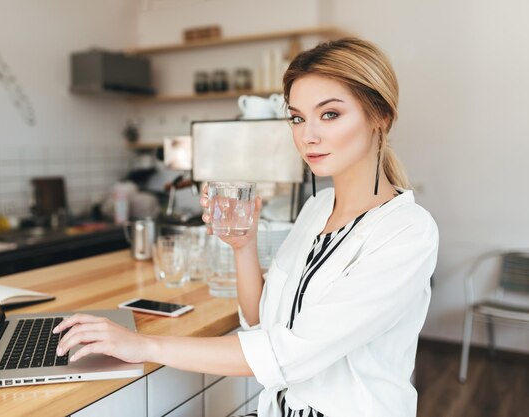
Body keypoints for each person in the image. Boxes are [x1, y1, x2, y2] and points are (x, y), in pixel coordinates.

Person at [53, 38, 439, 417]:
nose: (308, 136)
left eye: (330, 114)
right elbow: (260, 322)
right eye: (297, 117)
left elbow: (285, 354)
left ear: (380, 117)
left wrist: (144, 345)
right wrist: (243, 246)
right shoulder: (317, 209)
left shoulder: (407, 232)